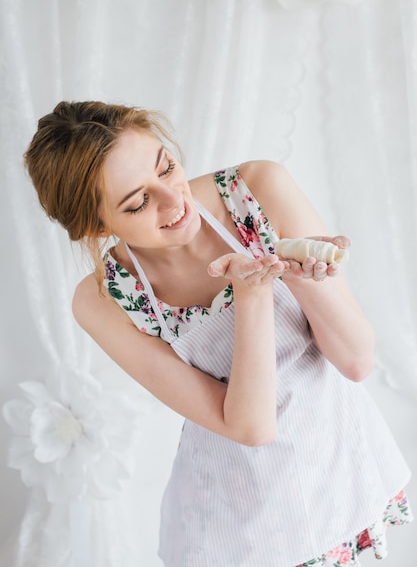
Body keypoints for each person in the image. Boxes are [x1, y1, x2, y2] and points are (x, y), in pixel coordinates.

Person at [24, 100, 412, 567]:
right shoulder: (105, 300)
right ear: (94, 224)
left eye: (166, 167)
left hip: (338, 470)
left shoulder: (257, 189)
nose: (173, 201)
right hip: (236, 518)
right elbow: (250, 426)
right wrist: (251, 296)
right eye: (138, 202)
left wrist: (299, 274)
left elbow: (356, 361)